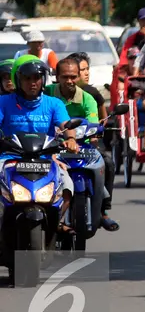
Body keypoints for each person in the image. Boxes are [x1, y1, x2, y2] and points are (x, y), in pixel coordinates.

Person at [0, 55, 80, 234]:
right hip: (9, 159)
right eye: (26, 78)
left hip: (46, 159)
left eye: (36, 78)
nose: (32, 83)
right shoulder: (4, 102)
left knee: (67, 186)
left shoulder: (54, 104)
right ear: (17, 80)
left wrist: (71, 139)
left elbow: (66, 126)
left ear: (43, 79)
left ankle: (56, 222)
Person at [43, 57, 120, 232]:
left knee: (107, 162)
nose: (69, 81)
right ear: (57, 76)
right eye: (64, 77)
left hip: (80, 145)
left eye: (73, 76)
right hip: (50, 145)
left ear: (79, 76)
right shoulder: (46, 94)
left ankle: (103, 210)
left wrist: (94, 134)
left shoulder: (88, 99)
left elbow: (93, 124)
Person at [66, 52, 108, 121]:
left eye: (87, 69)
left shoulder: (92, 92)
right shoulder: (56, 92)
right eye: (82, 70)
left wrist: (95, 122)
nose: (87, 73)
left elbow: (102, 116)